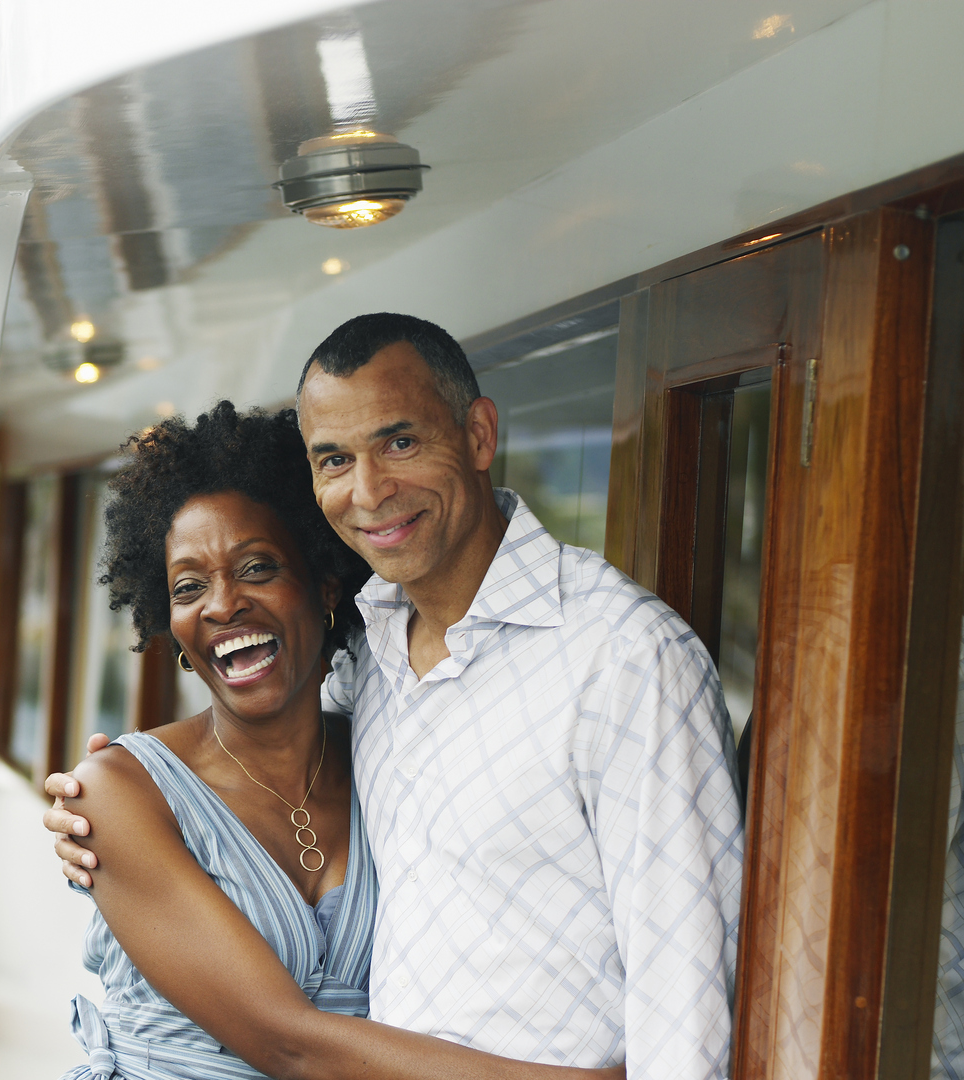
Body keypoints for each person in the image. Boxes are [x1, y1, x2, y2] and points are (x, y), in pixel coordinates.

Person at [49, 314, 743, 1078]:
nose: (370, 490)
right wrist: (103, 799)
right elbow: (285, 1030)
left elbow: (687, 1003)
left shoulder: (624, 658)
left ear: (479, 435)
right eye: (335, 459)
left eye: (400, 442)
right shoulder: (373, 661)